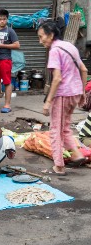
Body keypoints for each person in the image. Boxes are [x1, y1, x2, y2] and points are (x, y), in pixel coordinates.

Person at [38, 21, 88, 175]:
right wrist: (82, 92)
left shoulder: (54, 50)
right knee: (65, 128)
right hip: (74, 93)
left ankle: (59, 166)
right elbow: (84, 69)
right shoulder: (70, 46)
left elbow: (57, 78)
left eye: (41, 37)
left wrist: (47, 102)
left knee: (55, 130)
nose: (41, 42)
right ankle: (77, 154)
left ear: (51, 35)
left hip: (63, 94)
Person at [0, 9, 20, 113]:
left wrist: (3, 45)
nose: (2, 21)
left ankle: (7, 105)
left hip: (5, 59)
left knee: (7, 82)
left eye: (4, 19)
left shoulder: (10, 31)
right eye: (0, 19)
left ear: (7, 19)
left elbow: (17, 45)